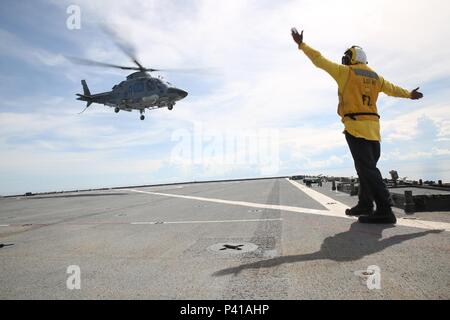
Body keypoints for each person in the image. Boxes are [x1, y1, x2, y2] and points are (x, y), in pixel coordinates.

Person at [291, 28, 423, 224]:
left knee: (368, 170)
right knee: (366, 169)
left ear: (350, 58)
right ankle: (365, 205)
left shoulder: (346, 72)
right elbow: (393, 89)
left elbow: (319, 60)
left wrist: (302, 45)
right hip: (374, 129)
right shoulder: (376, 77)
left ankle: (385, 210)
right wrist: (410, 94)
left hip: (355, 127)